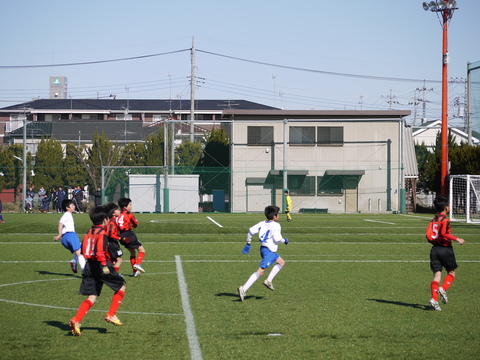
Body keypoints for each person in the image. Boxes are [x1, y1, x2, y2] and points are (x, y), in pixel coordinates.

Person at [69, 206, 126, 336]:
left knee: (92, 296)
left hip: (89, 266)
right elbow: (100, 252)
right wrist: (104, 265)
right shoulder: (102, 233)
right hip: (100, 265)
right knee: (121, 286)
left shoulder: (89, 232)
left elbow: (82, 249)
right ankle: (111, 314)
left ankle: (76, 319)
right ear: (105, 220)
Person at [237, 205, 289, 301]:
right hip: (269, 251)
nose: (278, 216)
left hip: (264, 249)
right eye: (278, 215)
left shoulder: (262, 223)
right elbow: (277, 239)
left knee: (281, 262)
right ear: (275, 216)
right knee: (261, 271)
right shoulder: (276, 225)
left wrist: (248, 243)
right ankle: (243, 288)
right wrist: (285, 240)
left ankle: (269, 281)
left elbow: (250, 231)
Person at [426, 196, 465, 311]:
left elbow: (428, 235)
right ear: (446, 208)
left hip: (434, 250)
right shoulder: (445, 220)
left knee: (437, 275)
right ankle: (443, 289)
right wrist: (457, 238)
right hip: (445, 249)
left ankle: (434, 299)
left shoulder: (433, 220)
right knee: (452, 272)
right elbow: (444, 234)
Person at [53, 199, 86, 274]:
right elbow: (60, 223)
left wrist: (60, 236)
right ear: (67, 208)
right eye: (72, 205)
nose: (74, 206)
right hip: (70, 235)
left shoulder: (68, 214)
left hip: (65, 238)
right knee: (79, 253)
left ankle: (74, 261)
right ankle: (84, 270)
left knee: (80, 250)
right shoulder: (67, 214)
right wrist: (59, 234)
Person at [117, 197, 146, 276]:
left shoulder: (117, 214)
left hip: (121, 236)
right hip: (128, 234)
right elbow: (135, 224)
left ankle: (135, 272)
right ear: (125, 207)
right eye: (130, 205)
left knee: (132, 253)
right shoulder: (129, 214)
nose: (131, 206)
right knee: (142, 250)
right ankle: (138, 264)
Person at [105, 202, 124, 273]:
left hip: (111, 242)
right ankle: (114, 275)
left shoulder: (111, 221)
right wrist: (119, 238)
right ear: (113, 213)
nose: (119, 211)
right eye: (117, 209)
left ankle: (108, 274)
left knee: (113, 261)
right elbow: (110, 234)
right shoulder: (111, 222)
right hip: (111, 243)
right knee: (119, 260)